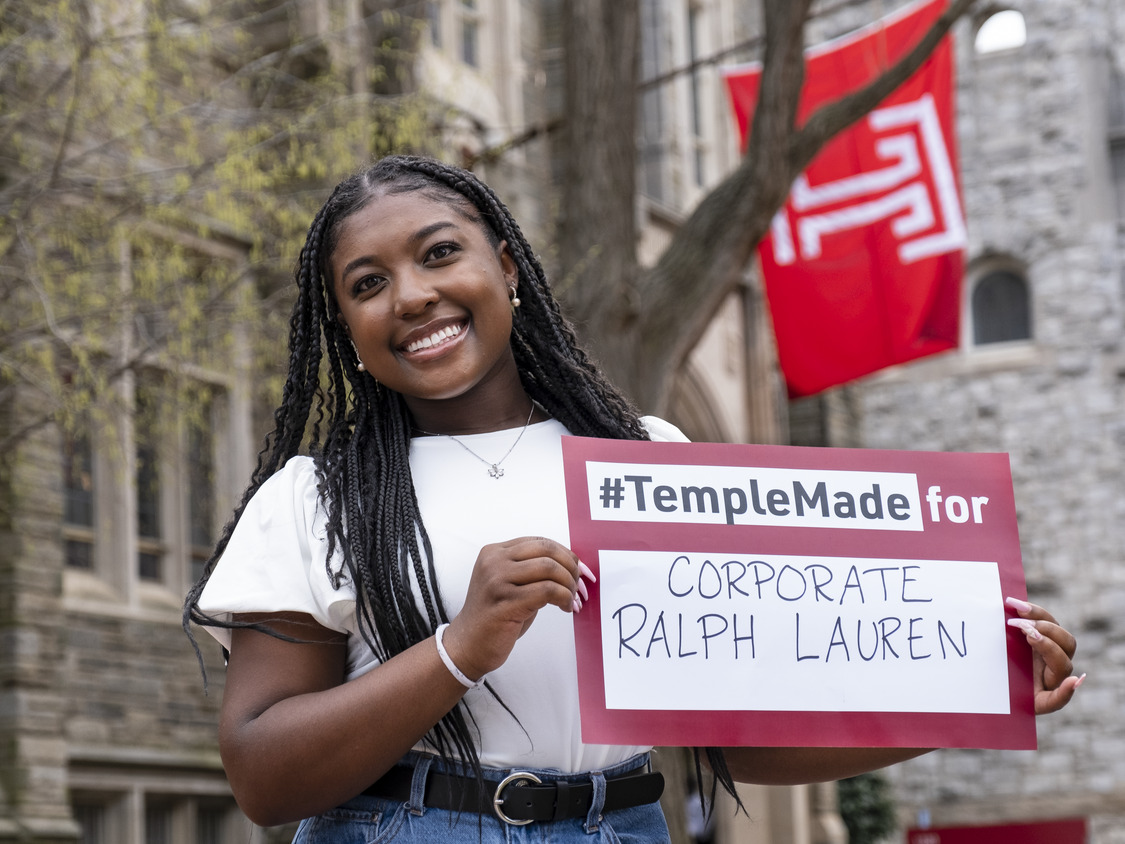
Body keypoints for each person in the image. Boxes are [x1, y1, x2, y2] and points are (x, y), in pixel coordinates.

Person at [183, 154, 1082, 843]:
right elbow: (264, 777)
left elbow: (740, 739)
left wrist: (973, 692)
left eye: (439, 254)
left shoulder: (644, 461)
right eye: (368, 285)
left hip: (622, 824)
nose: (412, 296)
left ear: (505, 266)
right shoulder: (315, 497)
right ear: (343, 324)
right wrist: (458, 650)